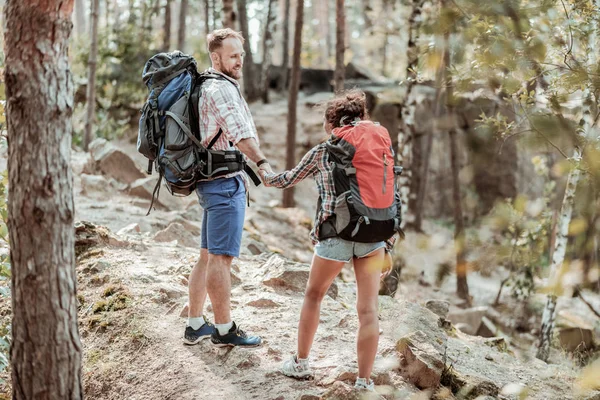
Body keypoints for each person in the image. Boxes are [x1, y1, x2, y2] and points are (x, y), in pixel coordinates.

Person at [260, 91, 396, 391]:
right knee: (368, 309)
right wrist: (389, 243)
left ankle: (301, 362)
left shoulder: (324, 151)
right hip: (374, 235)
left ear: (332, 122)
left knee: (314, 295)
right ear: (362, 118)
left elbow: (286, 180)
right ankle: (364, 383)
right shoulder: (379, 148)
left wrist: (264, 172)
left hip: (335, 235)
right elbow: (389, 195)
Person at [183, 28, 273, 347]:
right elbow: (239, 133)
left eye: (241, 55)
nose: (239, 62)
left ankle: (195, 325)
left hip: (210, 181)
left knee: (207, 256)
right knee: (221, 258)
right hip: (223, 183)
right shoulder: (220, 89)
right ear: (216, 57)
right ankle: (223, 330)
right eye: (233, 56)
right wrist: (262, 163)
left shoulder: (208, 84)